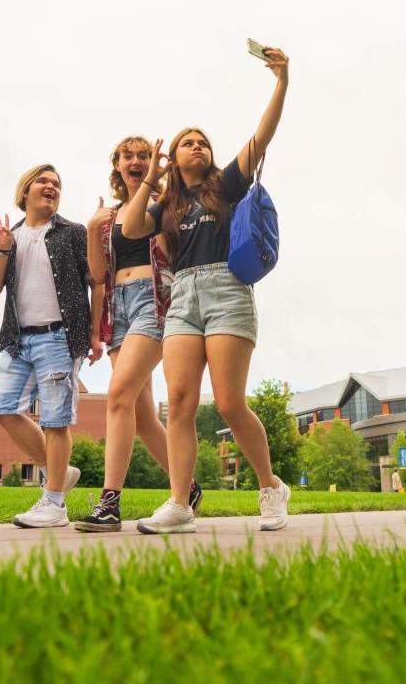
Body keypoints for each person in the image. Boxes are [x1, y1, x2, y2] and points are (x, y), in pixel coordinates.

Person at [122, 45, 290, 533]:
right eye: (187, 143)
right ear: (174, 157)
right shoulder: (167, 205)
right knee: (178, 402)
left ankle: (270, 488)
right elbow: (131, 228)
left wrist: (281, 82)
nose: (198, 146)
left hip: (226, 290)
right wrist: (150, 179)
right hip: (183, 300)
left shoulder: (226, 186)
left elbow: (261, 138)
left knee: (231, 402)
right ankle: (179, 503)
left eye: (203, 142)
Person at [74, 137, 202, 532]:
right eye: (128, 156)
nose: (136, 161)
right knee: (144, 416)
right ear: (117, 165)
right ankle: (189, 488)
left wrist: (159, 189)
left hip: (154, 299)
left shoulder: (164, 203)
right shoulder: (107, 216)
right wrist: (94, 230)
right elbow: (99, 276)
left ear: (153, 164)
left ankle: (110, 503)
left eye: (143, 155)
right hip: (118, 309)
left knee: (118, 393)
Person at [0, 164, 103, 527]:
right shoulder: (10, 236)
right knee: (3, 409)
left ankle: (54, 504)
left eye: (57, 184)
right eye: (43, 181)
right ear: (26, 192)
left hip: (60, 336)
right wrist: (3, 250)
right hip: (17, 339)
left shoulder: (73, 233)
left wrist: (95, 333)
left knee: (55, 420)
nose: (51, 187)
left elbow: (96, 281)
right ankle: (60, 474)